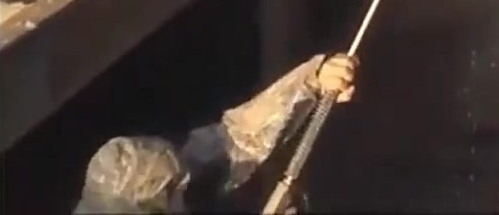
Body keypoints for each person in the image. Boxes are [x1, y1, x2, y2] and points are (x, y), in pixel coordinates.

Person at [73, 53, 358, 214]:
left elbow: (238, 139)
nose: (185, 190)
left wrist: (313, 82)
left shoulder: (153, 181)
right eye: (176, 195)